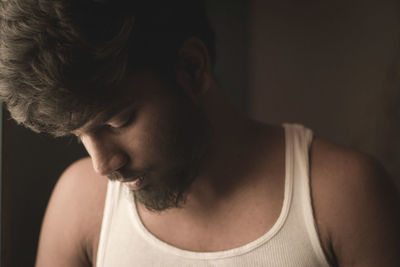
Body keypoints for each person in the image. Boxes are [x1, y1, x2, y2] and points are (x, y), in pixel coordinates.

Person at [0, 0, 399, 266]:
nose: (103, 165)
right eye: (79, 135)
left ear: (192, 68)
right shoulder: (78, 205)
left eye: (116, 122)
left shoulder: (342, 196)